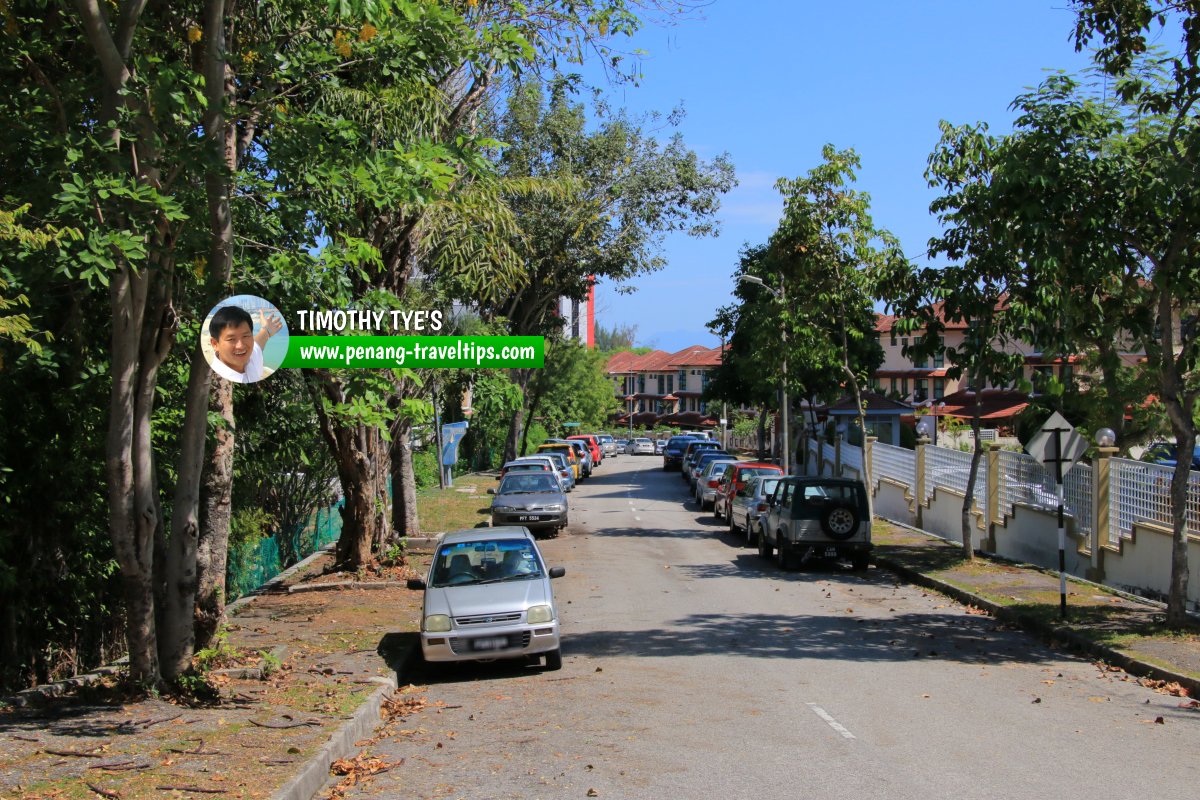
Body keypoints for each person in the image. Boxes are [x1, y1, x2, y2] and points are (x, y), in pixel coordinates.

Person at [208, 305, 282, 384]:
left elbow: (259, 341)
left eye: (245, 336)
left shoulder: (251, 357)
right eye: (231, 339)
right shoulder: (216, 381)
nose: (241, 346)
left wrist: (267, 329)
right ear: (215, 344)